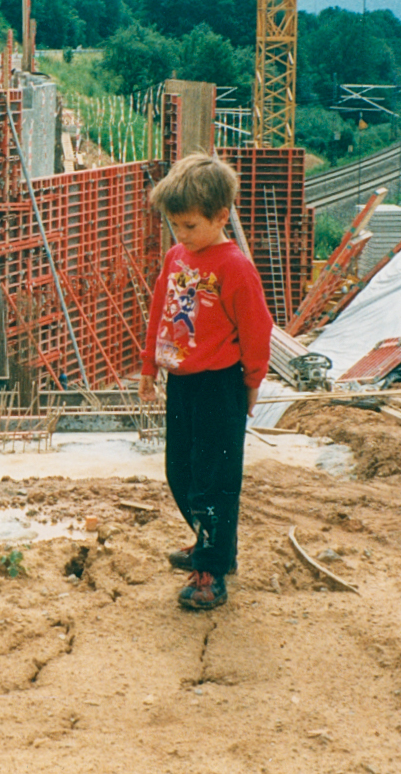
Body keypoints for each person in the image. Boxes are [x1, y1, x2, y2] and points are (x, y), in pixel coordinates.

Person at [138, 153, 273, 611]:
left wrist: (253, 381)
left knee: (213, 482)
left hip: (220, 384)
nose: (182, 235)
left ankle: (211, 571)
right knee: (182, 471)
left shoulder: (235, 267)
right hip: (183, 383)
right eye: (175, 226)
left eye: (191, 226)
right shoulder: (177, 258)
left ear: (221, 217)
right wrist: (148, 366)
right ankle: (211, 545)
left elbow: (256, 328)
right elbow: (160, 311)